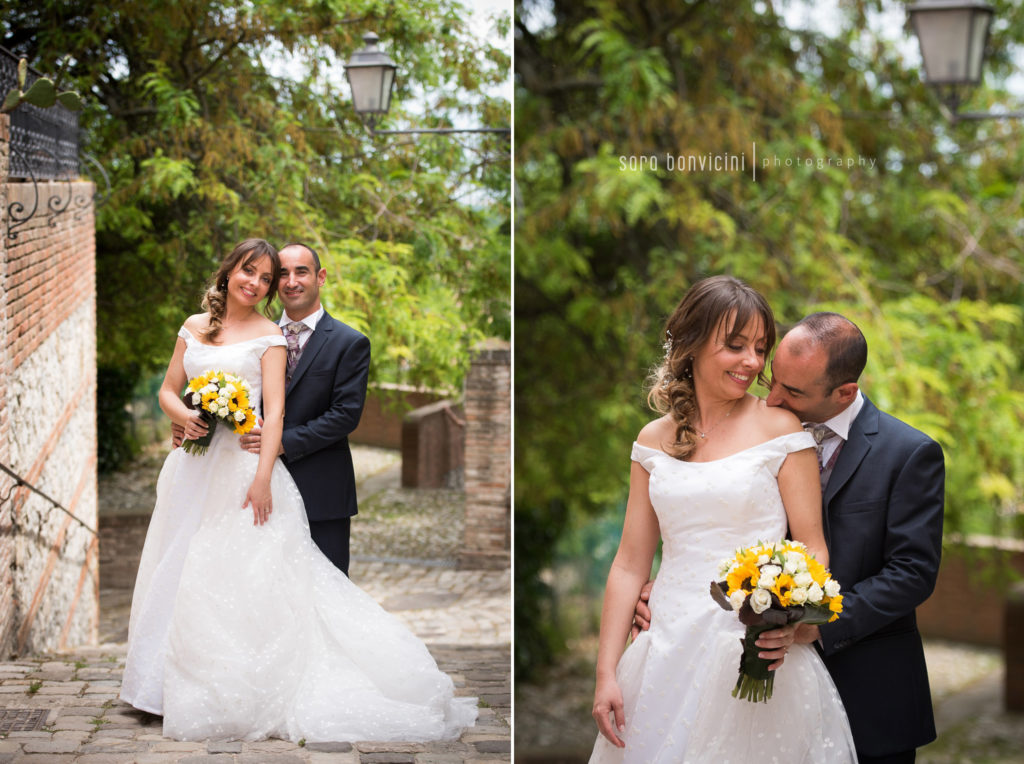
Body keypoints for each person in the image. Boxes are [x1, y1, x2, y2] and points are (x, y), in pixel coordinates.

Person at [120, 239, 477, 743]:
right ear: (231, 273)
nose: (275, 283)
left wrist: (268, 461)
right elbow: (173, 390)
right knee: (184, 565)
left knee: (297, 594)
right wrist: (187, 418)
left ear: (319, 277)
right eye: (266, 274)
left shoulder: (332, 341)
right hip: (196, 471)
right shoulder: (201, 327)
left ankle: (264, 684)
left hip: (283, 476)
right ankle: (165, 683)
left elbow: (334, 416)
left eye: (286, 274)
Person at [633, 311, 945, 763]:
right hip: (755, 684)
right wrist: (666, 588)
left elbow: (912, 573)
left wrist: (813, 623)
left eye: (793, 391)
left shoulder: (909, 454)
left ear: (844, 393)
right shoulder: (761, 431)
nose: (774, 397)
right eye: (773, 379)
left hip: (871, 692)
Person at [589, 276, 856, 763]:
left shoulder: (781, 428)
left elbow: (813, 546)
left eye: (759, 348)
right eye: (735, 346)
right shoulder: (651, 440)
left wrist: (787, 614)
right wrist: (607, 672)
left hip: (750, 648)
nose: (753, 363)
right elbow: (630, 564)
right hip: (664, 648)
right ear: (690, 344)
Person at [173, 242, 369, 576]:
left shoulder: (348, 343)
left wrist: (281, 443)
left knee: (324, 591)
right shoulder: (255, 335)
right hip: (245, 483)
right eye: (282, 274)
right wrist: (190, 420)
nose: (291, 281)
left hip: (320, 491)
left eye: (301, 272)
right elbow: (214, 384)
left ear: (320, 277)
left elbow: (345, 415)